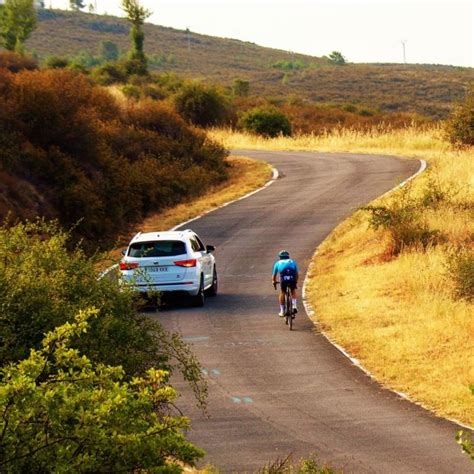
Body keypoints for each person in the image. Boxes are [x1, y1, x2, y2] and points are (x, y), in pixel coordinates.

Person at [272, 250, 299, 317]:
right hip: (292, 277)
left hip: (283, 279)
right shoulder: (292, 261)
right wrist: (296, 281)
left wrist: (274, 282)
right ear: (288, 256)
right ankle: (294, 305)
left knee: (282, 292)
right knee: (293, 290)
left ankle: (282, 311)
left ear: (280, 257)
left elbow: (274, 275)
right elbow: (297, 274)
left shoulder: (278, 263)